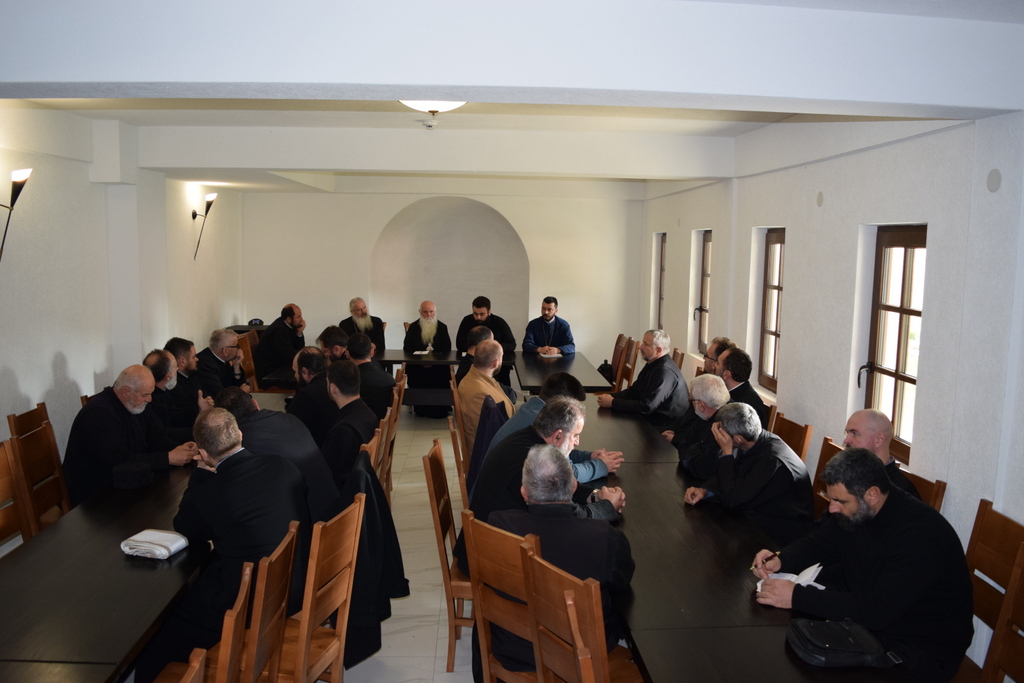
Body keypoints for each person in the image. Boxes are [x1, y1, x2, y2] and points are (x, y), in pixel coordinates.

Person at [751, 448, 973, 682]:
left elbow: (878, 610)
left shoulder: (921, 536)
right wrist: (781, 559)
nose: (832, 508)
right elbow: (821, 543)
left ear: (872, 495)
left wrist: (797, 597)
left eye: (840, 501)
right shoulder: (860, 511)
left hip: (917, 652)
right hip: (872, 627)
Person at [134, 407, 310, 683]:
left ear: (203, 454)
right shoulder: (283, 465)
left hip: (248, 606)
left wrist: (201, 474)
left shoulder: (211, 492)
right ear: (240, 434)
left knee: (164, 620)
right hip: (294, 586)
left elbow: (187, 528)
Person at [485, 445, 635, 674]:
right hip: (581, 656)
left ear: (524, 492)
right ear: (574, 487)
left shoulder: (497, 525)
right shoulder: (605, 538)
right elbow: (622, 584)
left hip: (514, 648)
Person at [63, 365, 196, 507]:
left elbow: (155, 436)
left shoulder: (136, 404)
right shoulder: (98, 414)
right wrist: (168, 458)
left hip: (127, 481)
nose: (150, 399)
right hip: (95, 495)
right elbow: (120, 461)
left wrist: (180, 450)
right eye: (145, 395)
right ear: (126, 392)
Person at [684, 402, 813, 545]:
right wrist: (705, 490)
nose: (718, 437)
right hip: (754, 512)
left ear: (738, 439)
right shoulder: (753, 441)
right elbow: (734, 476)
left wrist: (726, 453)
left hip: (777, 531)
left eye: (722, 433)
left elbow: (732, 500)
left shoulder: (771, 461)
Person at [215, 386, 340, 523]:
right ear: (255, 404)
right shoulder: (287, 418)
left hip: (310, 522)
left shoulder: (242, 443)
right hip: (335, 504)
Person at [486, 371, 623, 485]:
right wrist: (601, 466)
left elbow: (558, 452)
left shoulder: (532, 409)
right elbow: (567, 475)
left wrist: (588, 456)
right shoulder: (542, 423)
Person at [596, 329, 689, 430]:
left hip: (663, 427)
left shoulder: (665, 372)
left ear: (658, 350)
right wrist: (609, 397)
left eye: (646, 344)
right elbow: (634, 392)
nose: (640, 347)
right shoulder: (652, 363)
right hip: (649, 418)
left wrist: (613, 402)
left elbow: (647, 406)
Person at [662, 373, 731, 479]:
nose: (691, 403)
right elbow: (684, 444)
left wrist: (692, 452)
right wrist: (694, 451)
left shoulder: (723, 427)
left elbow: (703, 469)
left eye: (691, 400)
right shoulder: (704, 415)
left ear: (701, 405)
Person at [842, 409, 921, 500]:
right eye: (847, 433)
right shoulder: (852, 471)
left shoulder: (898, 492)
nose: (846, 440)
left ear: (879, 440)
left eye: (855, 434)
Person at [322, 359, 380, 482]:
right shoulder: (368, 412)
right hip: (362, 482)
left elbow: (326, 472)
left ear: (333, 388)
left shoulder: (343, 431)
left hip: (345, 488)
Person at [457, 339, 516, 454]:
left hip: (487, 446)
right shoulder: (482, 394)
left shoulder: (473, 377)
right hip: (487, 454)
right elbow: (498, 432)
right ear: (495, 363)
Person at [402, 300, 453, 418]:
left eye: (431, 312)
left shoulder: (442, 327)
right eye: (425, 312)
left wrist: (433, 362)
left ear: (435, 312)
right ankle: (421, 407)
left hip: (438, 367)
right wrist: (422, 362)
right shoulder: (413, 328)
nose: (428, 315)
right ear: (420, 312)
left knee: (442, 374)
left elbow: (447, 349)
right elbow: (407, 349)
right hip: (418, 367)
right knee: (416, 373)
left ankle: (441, 407)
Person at [455, 295, 516, 385]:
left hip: (498, 366)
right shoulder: (467, 321)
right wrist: (480, 349)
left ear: (489, 312)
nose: (478, 317)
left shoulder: (499, 322)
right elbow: (459, 344)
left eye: (482, 314)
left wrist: (492, 348)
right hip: (473, 363)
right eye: (475, 314)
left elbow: (511, 344)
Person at [286, 346, 339, 448]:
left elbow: (289, 429)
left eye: (295, 371)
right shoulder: (335, 384)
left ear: (304, 372)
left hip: (317, 451)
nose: (295, 376)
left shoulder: (306, 395)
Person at [142, 349, 193, 445]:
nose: (177, 369)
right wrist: (197, 432)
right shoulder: (146, 400)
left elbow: (177, 418)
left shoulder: (164, 391)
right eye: (175, 367)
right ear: (168, 376)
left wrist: (202, 414)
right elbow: (161, 434)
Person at [164, 337, 213, 429]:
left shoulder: (193, 375)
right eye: (193, 357)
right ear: (182, 361)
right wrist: (201, 410)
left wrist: (208, 401)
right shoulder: (173, 385)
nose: (197, 359)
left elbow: (205, 396)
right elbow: (182, 417)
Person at [715, 346, 769, 427]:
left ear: (726, 374)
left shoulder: (746, 406)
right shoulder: (730, 391)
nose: (714, 365)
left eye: (718, 363)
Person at [346, 332, 396, 420]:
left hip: (361, 424)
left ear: (347, 353)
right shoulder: (389, 378)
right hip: (382, 424)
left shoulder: (350, 382)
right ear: (372, 352)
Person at [254, 303, 306, 384]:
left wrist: (299, 333)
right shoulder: (278, 330)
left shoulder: (290, 325)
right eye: (298, 317)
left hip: (279, 366)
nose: (301, 319)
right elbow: (290, 355)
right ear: (289, 319)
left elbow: (298, 349)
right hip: (269, 372)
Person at [196, 329, 250, 398]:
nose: (238, 349)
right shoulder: (204, 365)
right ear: (226, 351)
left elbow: (239, 384)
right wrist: (241, 392)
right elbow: (219, 396)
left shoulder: (222, 359)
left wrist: (236, 366)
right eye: (236, 346)